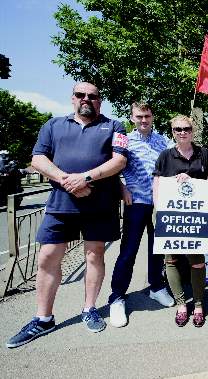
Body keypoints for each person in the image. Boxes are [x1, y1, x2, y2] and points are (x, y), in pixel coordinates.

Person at [6, 82, 128, 348]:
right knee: (48, 257)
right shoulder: (52, 125)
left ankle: (89, 308)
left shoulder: (115, 126)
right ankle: (43, 317)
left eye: (93, 96)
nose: (87, 99)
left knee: (95, 255)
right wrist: (67, 180)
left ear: (100, 100)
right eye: (81, 95)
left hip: (100, 206)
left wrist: (85, 178)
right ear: (73, 98)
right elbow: (38, 159)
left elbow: (119, 160)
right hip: (61, 204)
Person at [108, 102, 174, 328]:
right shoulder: (124, 140)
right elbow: (110, 167)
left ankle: (156, 286)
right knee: (128, 251)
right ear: (132, 117)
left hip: (159, 204)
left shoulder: (164, 141)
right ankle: (117, 296)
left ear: (152, 116)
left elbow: (175, 165)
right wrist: (121, 187)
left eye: (147, 116)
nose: (143, 120)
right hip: (135, 202)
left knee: (157, 249)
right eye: (139, 116)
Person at [153, 115, 208, 328]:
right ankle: (181, 304)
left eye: (186, 128)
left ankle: (198, 305)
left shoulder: (204, 154)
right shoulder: (165, 156)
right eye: (177, 129)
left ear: (192, 130)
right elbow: (157, 185)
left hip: (195, 217)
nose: (182, 132)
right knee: (171, 260)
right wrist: (159, 213)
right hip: (171, 217)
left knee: (196, 260)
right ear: (172, 131)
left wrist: (193, 181)